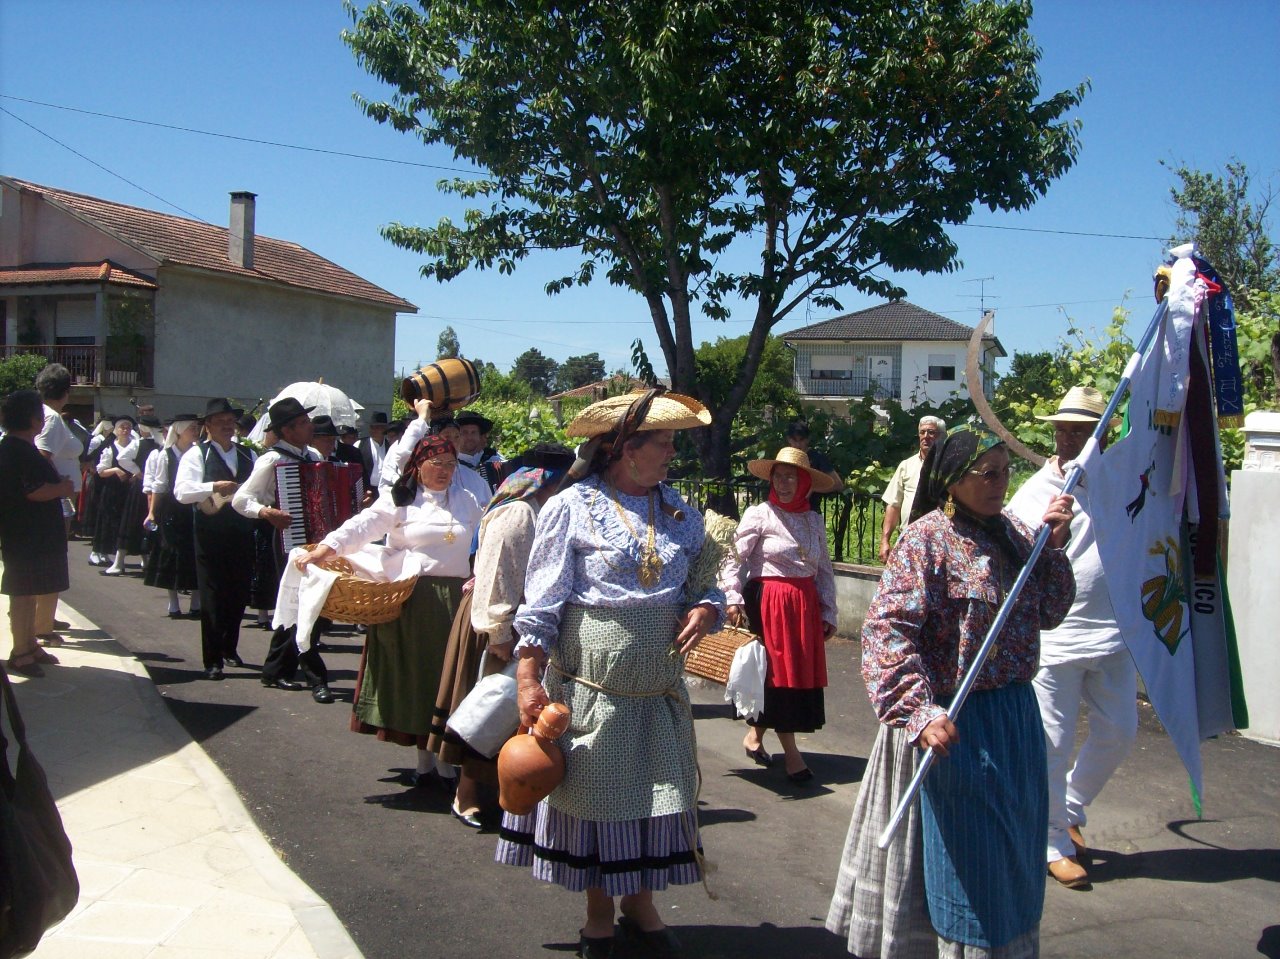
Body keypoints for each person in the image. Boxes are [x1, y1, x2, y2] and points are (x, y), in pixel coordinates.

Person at [827, 426, 1076, 958]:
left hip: (1013, 723)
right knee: (966, 871)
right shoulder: (927, 540)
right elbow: (886, 631)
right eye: (989, 474)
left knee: (1012, 863)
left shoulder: (1014, 532)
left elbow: (1051, 612)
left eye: (1006, 472)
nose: (1001, 484)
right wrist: (916, 709)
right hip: (950, 724)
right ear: (951, 479)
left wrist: (1052, 551)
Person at [495, 389, 725, 959]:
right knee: (597, 801)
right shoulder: (570, 507)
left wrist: (707, 608)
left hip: (658, 692)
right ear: (626, 449)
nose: (674, 453)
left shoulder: (681, 513)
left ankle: (640, 904)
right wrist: (528, 680)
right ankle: (600, 913)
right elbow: (542, 602)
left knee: (656, 799)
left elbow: (706, 584)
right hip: (590, 691)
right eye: (665, 443)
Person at [295, 432, 484, 776]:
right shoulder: (401, 500)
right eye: (436, 463)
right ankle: (424, 763)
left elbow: (484, 539)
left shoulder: (468, 499)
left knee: (451, 681)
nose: (444, 470)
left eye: (450, 464)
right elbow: (362, 526)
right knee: (418, 679)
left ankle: (445, 761)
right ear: (419, 465)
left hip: (457, 602)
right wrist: (326, 548)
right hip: (413, 601)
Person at [1008, 385, 1132, 890]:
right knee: (1052, 743)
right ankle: (1052, 841)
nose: (1068, 437)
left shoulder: (1122, 480)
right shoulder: (1035, 491)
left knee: (1119, 732)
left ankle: (1072, 808)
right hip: (1056, 636)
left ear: (1101, 435)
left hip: (1113, 631)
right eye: (1063, 428)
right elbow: (1014, 561)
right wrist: (1048, 537)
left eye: (1081, 430)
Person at [426, 443, 575, 827]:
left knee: (509, 714)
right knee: (491, 710)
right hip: (498, 624)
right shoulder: (518, 513)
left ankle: (504, 795)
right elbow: (497, 577)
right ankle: (466, 796)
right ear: (550, 479)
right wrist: (500, 634)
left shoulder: (537, 508)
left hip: (517, 623)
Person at [722, 446, 838, 782]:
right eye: (779, 476)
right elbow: (732, 559)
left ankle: (755, 736)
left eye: (791, 477)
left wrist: (828, 610)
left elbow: (824, 570)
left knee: (790, 676)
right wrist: (732, 597)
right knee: (776, 677)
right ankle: (793, 756)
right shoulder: (761, 514)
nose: (784, 483)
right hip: (768, 604)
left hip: (802, 605)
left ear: (805, 482)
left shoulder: (813, 520)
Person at [232, 398, 334, 703]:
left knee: (307, 605)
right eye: (303, 423)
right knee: (300, 603)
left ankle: (277, 669)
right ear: (288, 430)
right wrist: (266, 512)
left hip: (316, 541)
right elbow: (241, 499)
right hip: (288, 540)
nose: (310, 427)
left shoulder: (313, 456)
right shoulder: (271, 461)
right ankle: (310, 676)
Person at [175, 398, 258, 681]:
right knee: (212, 595)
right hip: (210, 535)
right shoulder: (197, 455)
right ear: (208, 425)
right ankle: (212, 659)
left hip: (242, 532)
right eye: (220, 421)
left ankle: (229, 649)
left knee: (237, 593)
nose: (226, 425)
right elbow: (182, 492)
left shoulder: (249, 456)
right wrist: (212, 486)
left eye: (230, 421)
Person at [0, 390, 73, 678]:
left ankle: (30, 644)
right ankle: (20, 652)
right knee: (22, 594)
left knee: (31, 591)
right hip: (24, 534)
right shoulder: (14, 450)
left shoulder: (21, 447)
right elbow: (32, 491)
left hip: (35, 534)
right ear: (32, 419)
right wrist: (62, 489)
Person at [32, 363, 80, 644]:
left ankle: (44, 616)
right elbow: (41, 456)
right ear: (66, 390)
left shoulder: (47, 415)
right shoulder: (50, 418)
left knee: (49, 559)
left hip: (58, 498)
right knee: (50, 561)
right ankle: (41, 625)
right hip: (56, 499)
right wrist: (58, 487)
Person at [142, 413, 202, 618]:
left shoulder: (199, 453)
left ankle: (196, 601)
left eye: (196, 427)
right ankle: (173, 602)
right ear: (179, 430)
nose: (196, 430)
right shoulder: (164, 455)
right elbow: (159, 485)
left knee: (194, 553)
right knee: (172, 553)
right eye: (191, 427)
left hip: (194, 507)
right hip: (172, 510)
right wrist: (152, 512)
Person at [878, 415, 946, 562]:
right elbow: (894, 504)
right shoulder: (906, 465)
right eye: (922, 432)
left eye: (931, 432)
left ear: (940, 436)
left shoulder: (948, 467)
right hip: (908, 540)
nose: (926, 436)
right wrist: (885, 540)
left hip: (940, 544)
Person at [91, 415, 139, 575]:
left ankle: (122, 555)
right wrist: (116, 470)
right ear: (116, 430)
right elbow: (101, 471)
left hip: (128, 491)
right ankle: (101, 552)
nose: (125, 430)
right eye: (122, 427)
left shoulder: (135, 447)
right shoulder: (110, 448)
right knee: (108, 520)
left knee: (124, 522)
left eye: (128, 427)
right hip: (112, 491)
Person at [785, 419, 844, 494]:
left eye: (801, 440)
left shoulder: (818, 457)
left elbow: (838, 484)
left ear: (808, 439)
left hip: (811, 505)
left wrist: (812, 488)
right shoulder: (786, 456)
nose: (798, 444)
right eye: (794, 440)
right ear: (788, 440)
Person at [455, 409, 505, 492]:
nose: (469, 437)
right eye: (465, 432)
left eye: (473, 432)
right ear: (457, 436)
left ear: (479, 436)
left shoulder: (494, 458)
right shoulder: (452, 463)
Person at [357, 411, 390, 496]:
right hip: (366, 491)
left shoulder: (390, 447)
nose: (373, 430)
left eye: (377, 427)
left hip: (384, 491)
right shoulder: (359, 444)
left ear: (384, 429)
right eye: (372, 427)